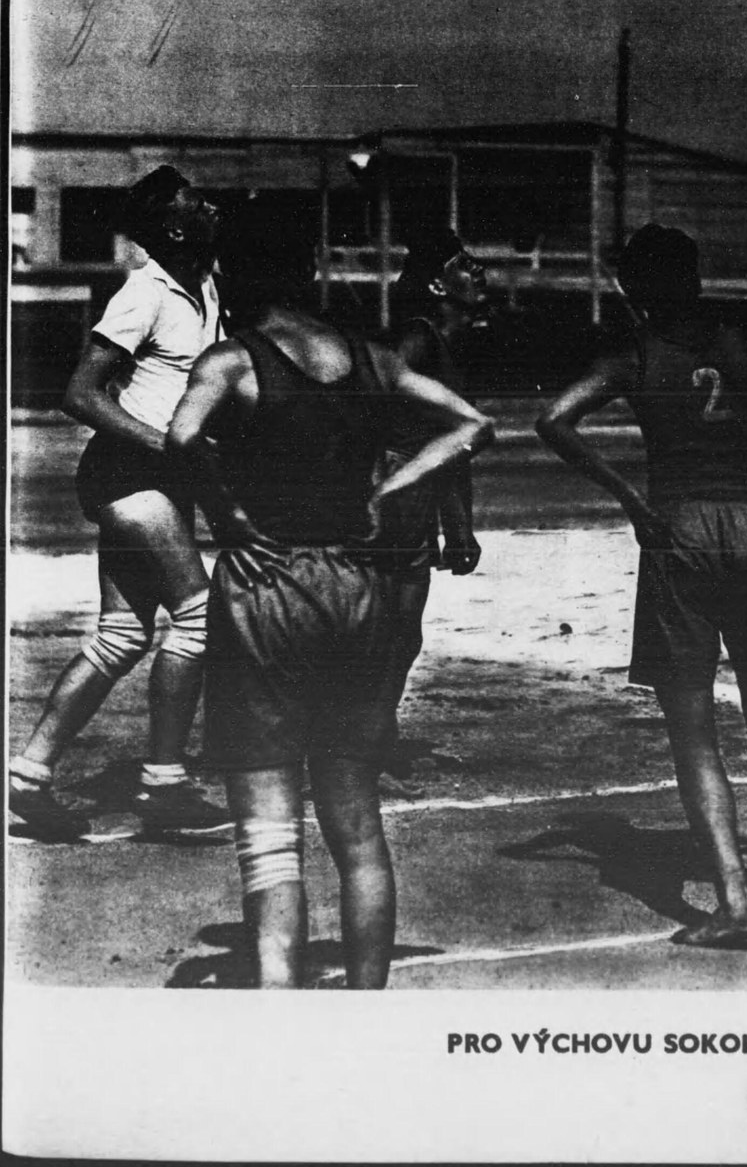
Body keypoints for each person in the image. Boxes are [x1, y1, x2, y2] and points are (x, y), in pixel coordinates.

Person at [163, 208, 495, 989]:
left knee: (269, 826)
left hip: (267, 585)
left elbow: (180, 441)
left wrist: (228, 515)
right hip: (361, 587)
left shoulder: (232, 360)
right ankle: (364, 999)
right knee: (356, 821)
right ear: (310, 272)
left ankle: (281, 1004)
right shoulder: (373, 358)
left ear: (229, 276)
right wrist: (394, 484)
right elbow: (473, 425)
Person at [536, 223, 747, 949]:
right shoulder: (743, 344)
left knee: (692, 730)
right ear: (693, 277)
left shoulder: (631, 356)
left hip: (678, 530)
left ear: (630, 288)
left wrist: (627, 497)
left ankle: (733, 905)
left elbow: (553, 418)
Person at [9, 166, 231, 841]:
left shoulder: (206, 283)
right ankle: (163, 784)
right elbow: (79, 393)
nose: (211, 204)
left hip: (162, 479)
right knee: (198, 618)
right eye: (197, 200)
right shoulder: (145, 291)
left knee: (123, 635)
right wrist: (166, 447)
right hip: (130, 475)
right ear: (172, 224)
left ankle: (28, 777)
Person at [377, 225, 491, 775]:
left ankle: (373, 729)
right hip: (395, 491)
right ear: (438, 287)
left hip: (413, 493)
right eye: (465, 265)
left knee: (402, 629)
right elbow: (375, 406)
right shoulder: (418, 340)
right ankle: (364, 733)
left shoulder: (446, 344)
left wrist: (458, 526)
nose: (480, 271)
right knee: (391, 627)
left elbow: (451, 448)